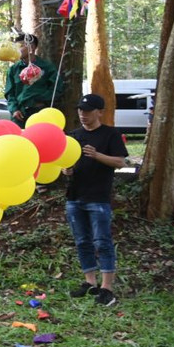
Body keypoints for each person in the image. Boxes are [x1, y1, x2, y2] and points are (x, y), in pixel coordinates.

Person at [65, 93, 129, 306]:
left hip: (98, 197)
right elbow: (67, 162)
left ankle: (106, 287)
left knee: (102, 242)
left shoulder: (111, 134)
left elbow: (120, 162)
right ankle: (90, 282)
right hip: (75, 196)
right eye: (80, 110)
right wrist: (67, 170)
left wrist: (97, 155)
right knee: (82, 241)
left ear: (99, 112)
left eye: (88, 111)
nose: (83, 115)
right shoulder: (74, 135)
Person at [5, 34, 58, 125]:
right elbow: (10, 93)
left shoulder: (47, 67)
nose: (17, 50)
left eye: (20, 46)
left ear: (32, 47)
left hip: (40, 112)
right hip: (19, 113)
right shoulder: (13, 69)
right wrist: (14, 110)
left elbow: (56, 88)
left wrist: (41, 101)